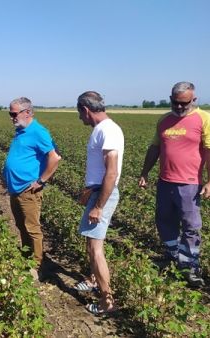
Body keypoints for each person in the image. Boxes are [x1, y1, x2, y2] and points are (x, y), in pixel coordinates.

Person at [139, 81, 210, 287]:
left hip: (190, 183)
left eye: (185, 103)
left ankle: (190, 266)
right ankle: (173, 256)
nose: (180, 107)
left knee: (191, 226)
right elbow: (155, 147)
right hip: (165, 181)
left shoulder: (205, 119)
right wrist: (145, 173)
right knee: (164, 220)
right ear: (171, 99)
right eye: (176, 103)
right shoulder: (164, 120)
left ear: (194, 100)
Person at [74, 91, 123, 315]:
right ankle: (93, 280)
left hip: (103, 196)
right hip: (97, 193)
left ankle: (107, 302)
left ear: (86, 109)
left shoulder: (108, 130)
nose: (79, 118)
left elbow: (111, 173)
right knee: (90, 243)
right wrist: (89, 191)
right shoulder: (102, 129)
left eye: (79, 113)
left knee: (96, 249)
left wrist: (98, 206)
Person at [3, 97, 61, 280]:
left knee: (32, 228)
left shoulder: (38, 131)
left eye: (14, 113)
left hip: (29, 190)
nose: (11, 117)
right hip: (16, 190)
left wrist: (41, 180)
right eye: (10, 114)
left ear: (27, 112)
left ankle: (36, 266)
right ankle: (27, 257)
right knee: (22, 226)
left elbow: (55, 157)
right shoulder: (21, 130)